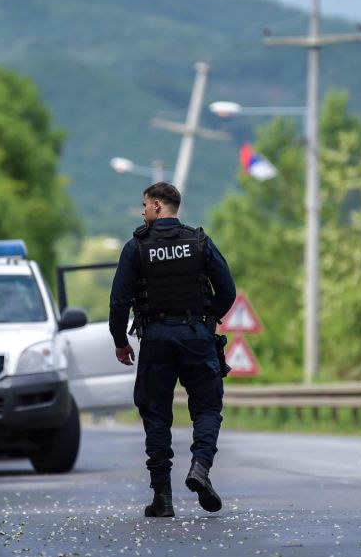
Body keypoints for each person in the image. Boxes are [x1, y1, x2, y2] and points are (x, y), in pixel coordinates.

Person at [110, 182, 236, 518]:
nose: (142, 211)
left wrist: (120, 341)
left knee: (156, 413)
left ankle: (162, 498)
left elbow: (120, 300)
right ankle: (200, 468)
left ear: (157, 205)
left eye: (144, 205)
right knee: (207, 408)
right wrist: (209, 319)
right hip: (196, 335)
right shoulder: (199, 242)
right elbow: (227, 289)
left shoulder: (136, 247)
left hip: (157, 339)